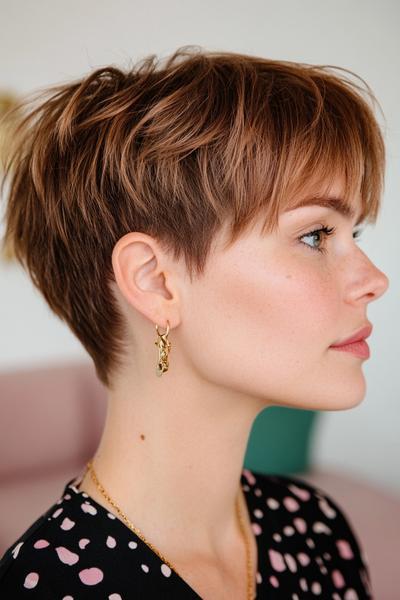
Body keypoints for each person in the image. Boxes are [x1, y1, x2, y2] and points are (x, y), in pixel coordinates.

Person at [0, 45, 389, 599]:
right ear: (156, 282)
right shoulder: (47, 588)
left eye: (356, 236)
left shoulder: (318, 529)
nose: (375, 279)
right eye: (314, 235)